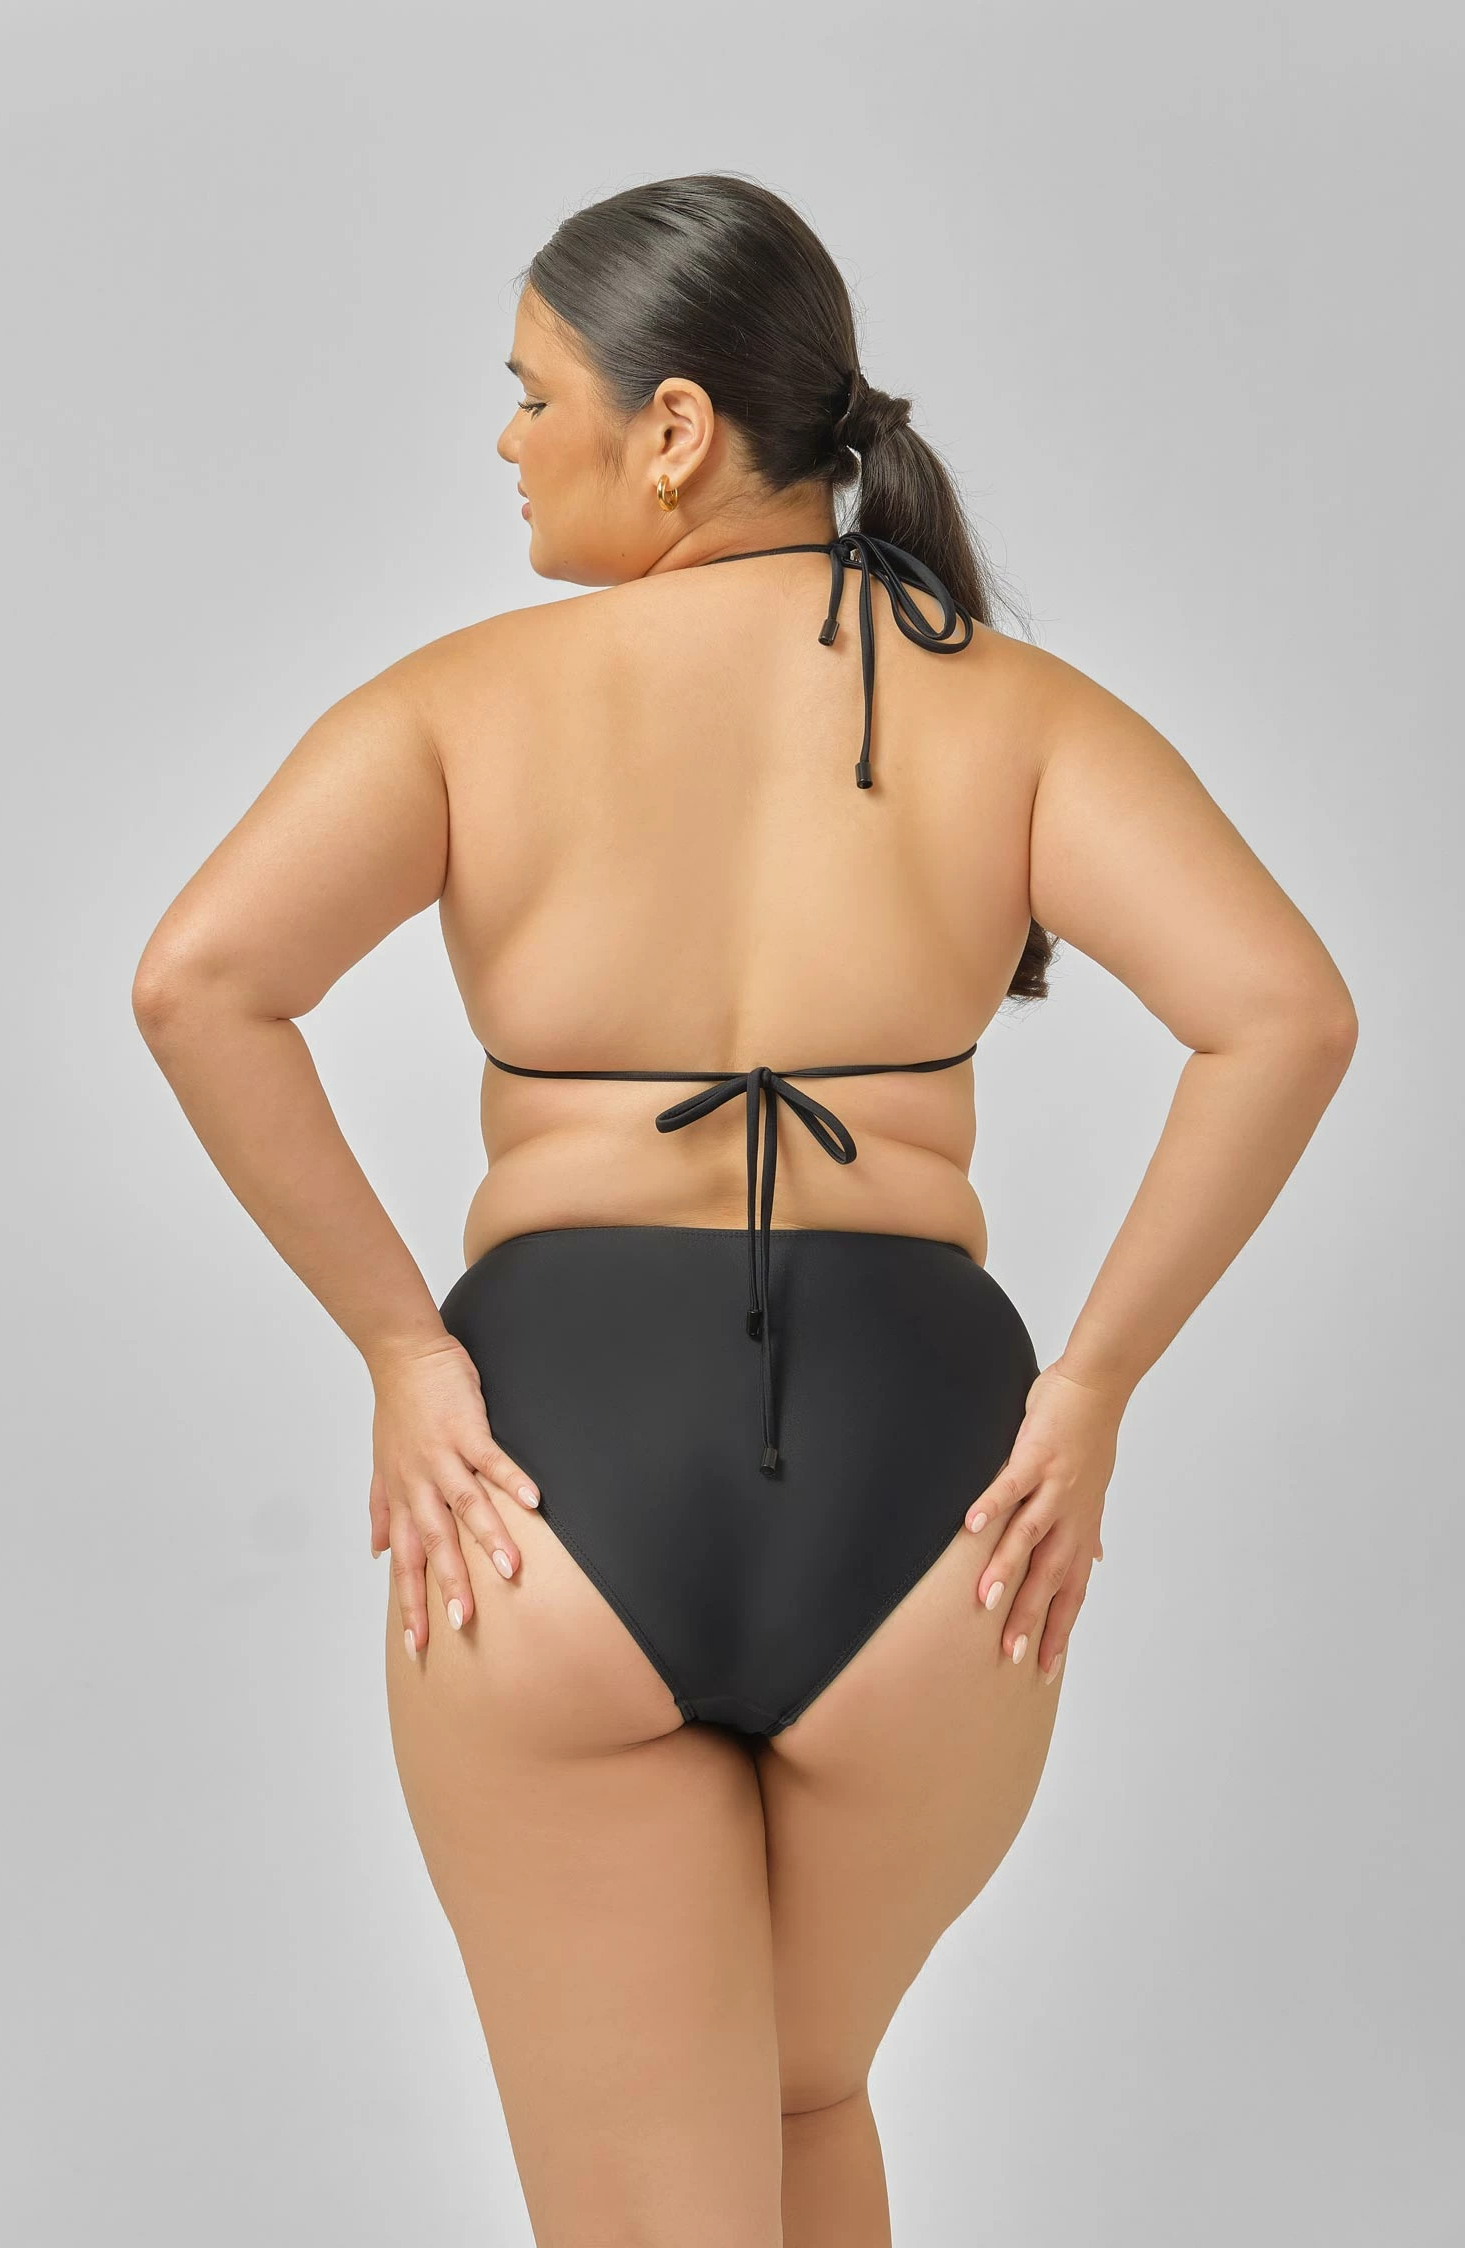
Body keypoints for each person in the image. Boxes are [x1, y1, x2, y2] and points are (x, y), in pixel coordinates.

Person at [131, 172, 1357, 2248]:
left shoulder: (467, 700)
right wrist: (1090, 1392)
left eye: (535, 395)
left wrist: (403, 1347)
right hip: (940, 1495)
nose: (508, 439)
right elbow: (1286, 1015)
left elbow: (198, 982)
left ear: (675, 428)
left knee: (654, 2188)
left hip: (555, 1472)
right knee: (797, 2105)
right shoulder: (1012, 708)